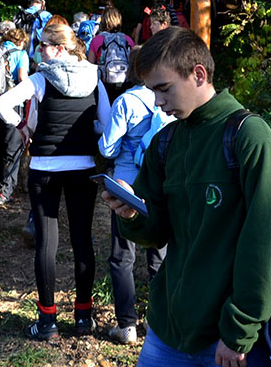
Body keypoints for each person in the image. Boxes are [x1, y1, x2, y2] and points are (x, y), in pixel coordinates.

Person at [103, 26, 271, 367]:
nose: (159, 103)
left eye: (164, 89)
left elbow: (268, 242)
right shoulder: (166, 142)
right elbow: (158, 232)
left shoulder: (249, 137)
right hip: (166, 332)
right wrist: (131, 214)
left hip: (226, 340)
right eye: (152, 92)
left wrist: (238, 331)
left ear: (198, 74)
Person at [0, 23, 111, 341]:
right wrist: (84, 130)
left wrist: (21, 126)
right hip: (82, 167)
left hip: (44, 167)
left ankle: (47, 322)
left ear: (60, 48)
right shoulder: (95, 77)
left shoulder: (41, 78)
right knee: (83, 240)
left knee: (48, 244)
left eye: (43, 45)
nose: (38, 50)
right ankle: (84, 318)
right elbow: (105, 123)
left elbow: (0, 104)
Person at [98, 50, 173, 344]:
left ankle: (127, 325)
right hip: (161, 186)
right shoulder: (169, 99)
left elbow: (107, 148)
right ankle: (160, 322)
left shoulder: (126, 101)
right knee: (160, 256)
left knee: (122, 258)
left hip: (126, 186)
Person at [0, 24, 31, 204]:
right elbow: (22, 78)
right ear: (20, 41)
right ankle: (4, 192)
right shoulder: (20, 54)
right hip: (13, 105)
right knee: (12, 150)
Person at [88, 4, 135, 101]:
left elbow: (90, 65)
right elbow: (134, 63)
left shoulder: (97, 40)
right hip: (126, 84)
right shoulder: (127, 40)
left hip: (104, 86)